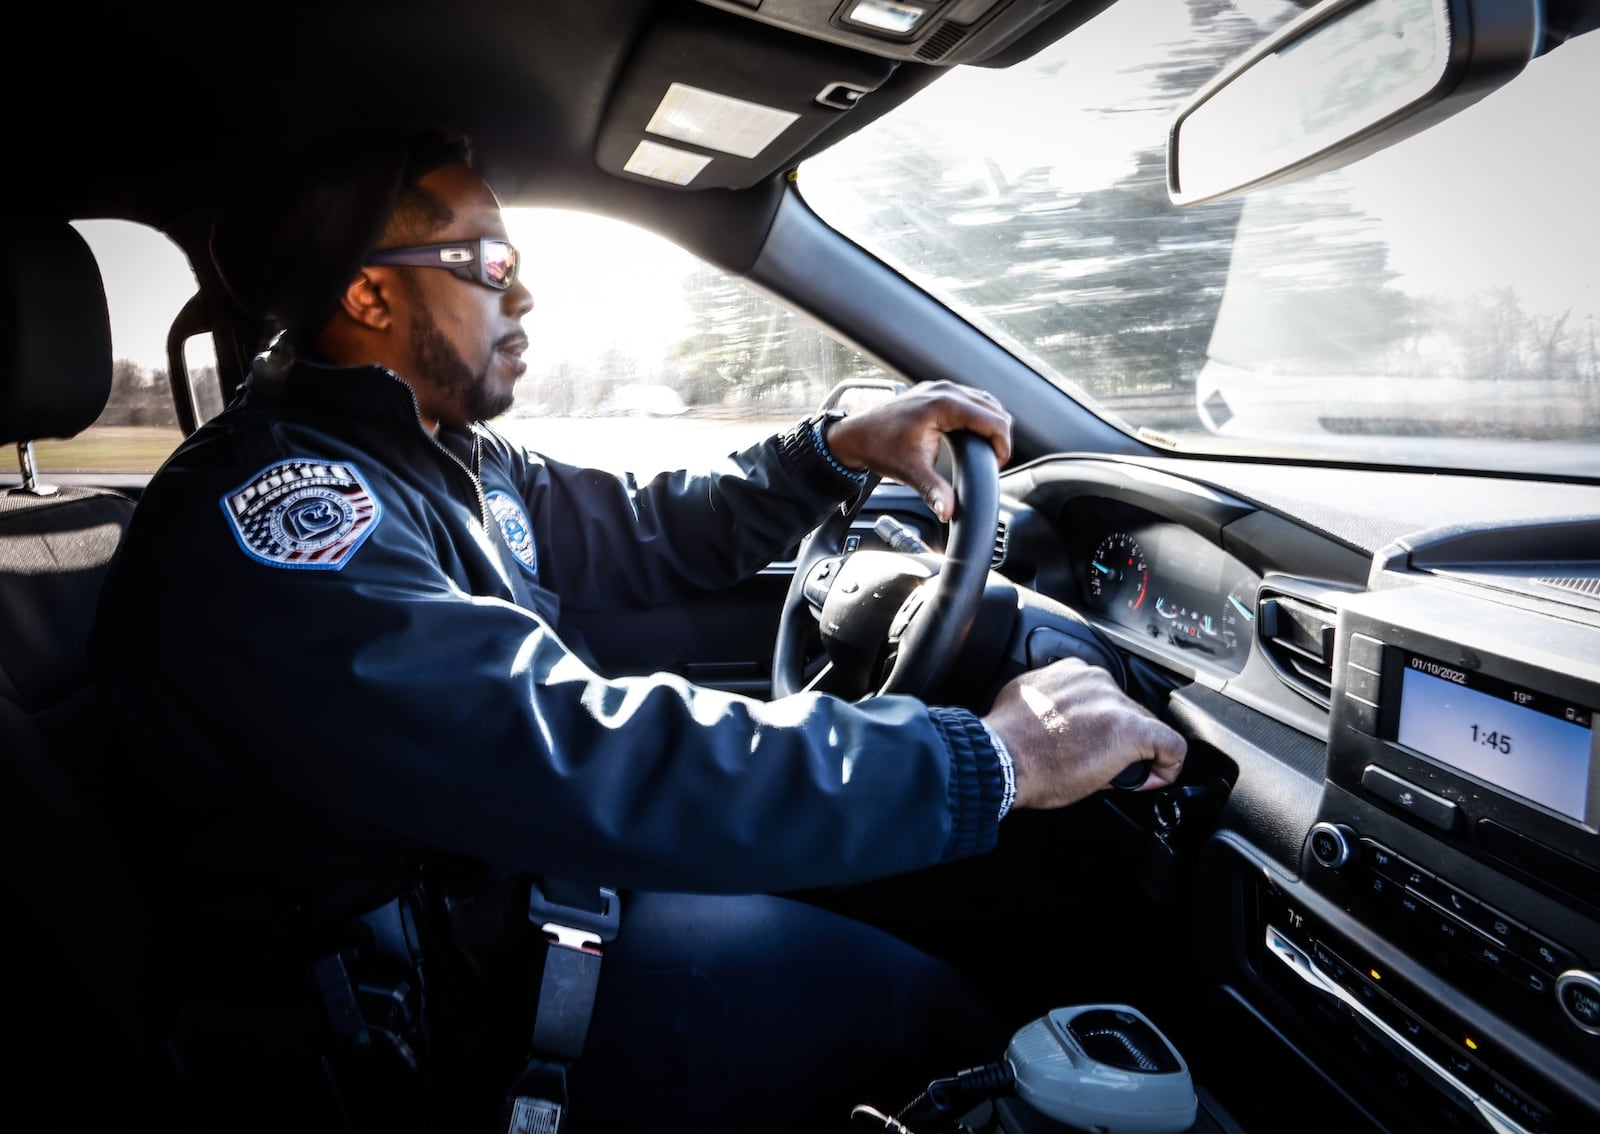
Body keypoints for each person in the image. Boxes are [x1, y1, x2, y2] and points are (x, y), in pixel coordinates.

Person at [88, 127, 1186, 1134]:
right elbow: (568, 754)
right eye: (494, 265)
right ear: (372, 296)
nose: (531, 295)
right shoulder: (282, 513)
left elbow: (647, 530)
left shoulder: (438, 455)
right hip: (414, 1023)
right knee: (927, 1013)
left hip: (500, 909)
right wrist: (991, 759)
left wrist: (830, 451)